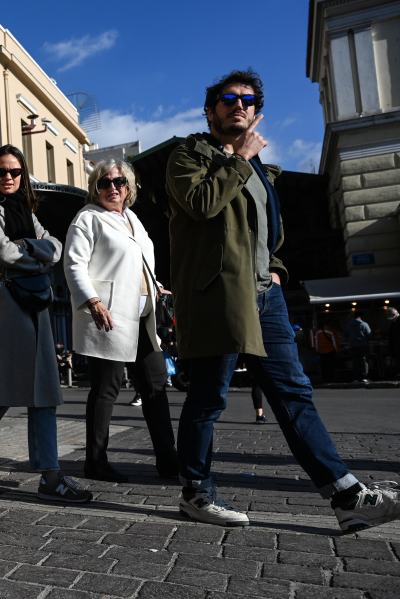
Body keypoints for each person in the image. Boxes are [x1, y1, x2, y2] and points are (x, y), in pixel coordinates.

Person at [166, 69, 400, 531]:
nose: (238, 104)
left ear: (257, 110)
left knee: (294, 394)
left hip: (265, 296)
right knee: (209, 398)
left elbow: (267, 232)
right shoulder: (189, 155)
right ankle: (196, 493)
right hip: (220, 296)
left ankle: (346, 497)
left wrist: (276, 270)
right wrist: (237, 158)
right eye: (228, 98)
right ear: (210, 109)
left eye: (247, 99)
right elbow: (201, 203)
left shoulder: (259, 170)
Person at [0, 144, 91, 503]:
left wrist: (28, 247)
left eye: (15, 172)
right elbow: (4, 253)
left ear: (23, 177)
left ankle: (50, 475)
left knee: (43, 392)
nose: (8, 177)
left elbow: (55, 247)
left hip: (35, 305)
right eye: (1, 171)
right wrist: (34, 250)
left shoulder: (26, 211)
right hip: (6, 304)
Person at [64, 158, 179, 482]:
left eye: (119, 182)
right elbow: (73, 265)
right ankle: (95, 462)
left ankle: (168, 461)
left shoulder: (132, 218)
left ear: (128, 187)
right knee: (106, 388)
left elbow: (142, 262)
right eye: (105, 183)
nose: (112, 188)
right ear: (95, 188)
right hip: (109, 315)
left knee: (155, 385)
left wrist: (156, 285)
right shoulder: (88, 218)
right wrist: (94, 302)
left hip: (143, 315)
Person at [343, 312, 372, 383]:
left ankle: (356, 378)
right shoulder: (364, 324)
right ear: (361, 317)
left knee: (355, 361)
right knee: (364, 360)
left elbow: (345, 335)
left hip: (353, 345)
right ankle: (365, 377)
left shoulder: (347, 325)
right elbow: (369, 335)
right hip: (363, 344)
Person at [388, 308, 400, 380]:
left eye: (387, 315)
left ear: (393, 314)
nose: (387, 317)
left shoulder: (398, 321)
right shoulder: (395, 321)